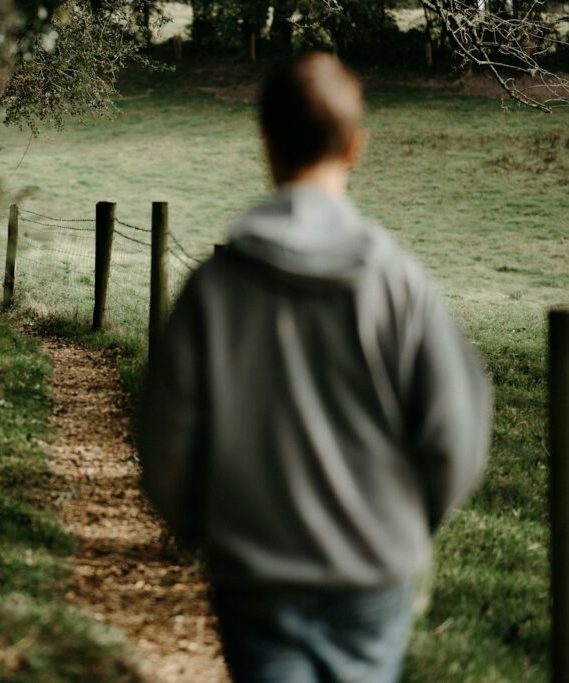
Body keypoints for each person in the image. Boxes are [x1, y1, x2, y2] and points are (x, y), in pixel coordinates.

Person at [137, 52, 491, 683]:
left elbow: (167, 438)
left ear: (266, 144)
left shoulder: (214, 289)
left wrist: (198, 529)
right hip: (373, 570)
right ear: (355, 145)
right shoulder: (400, 284)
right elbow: (455, 433)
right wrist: (412, 524)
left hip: (254, 569)